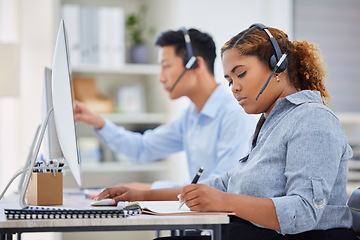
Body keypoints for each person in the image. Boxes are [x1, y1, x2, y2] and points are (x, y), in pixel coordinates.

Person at [95, 24, 357, 240]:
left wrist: (224, 201)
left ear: (277, 67)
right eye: (230, 81)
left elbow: (303, 211)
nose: (234, 88)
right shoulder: (272, 122)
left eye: (240, 74)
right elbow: (222, 184)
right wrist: (142, 196)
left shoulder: (313, 120)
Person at [74, 28, 256, 190]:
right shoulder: (191, 116)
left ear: (195, 65)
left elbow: (221, 187)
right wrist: (98, 123)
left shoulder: (234, 114)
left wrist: (149, 190)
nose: (161, 78)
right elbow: (143, 148)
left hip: (228, 226)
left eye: (166, 67)